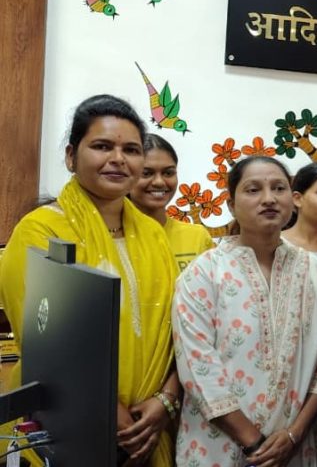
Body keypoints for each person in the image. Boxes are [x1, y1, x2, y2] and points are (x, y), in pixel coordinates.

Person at [0, 95, 180, 466]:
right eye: (102, 146)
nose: (118, 158)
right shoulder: (40, 231)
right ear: (71, 156)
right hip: (66, 424)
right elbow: (46, 342)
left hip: (150, 423)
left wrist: (164, 401)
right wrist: (115, 419)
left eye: (131, 150)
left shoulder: (153, 234)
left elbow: (178, 327)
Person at [172, 156, 317, 467]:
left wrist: (294, 435)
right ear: (231, 204)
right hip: (218, 447)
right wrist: (255, 444)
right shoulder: (204, 272)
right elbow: (197, 366)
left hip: (295, 448)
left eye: (278, 188)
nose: (269, 199)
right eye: (253, 190)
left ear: (292, 199)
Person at [130, 133, 216, 272]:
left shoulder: (197, 237)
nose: (159, 182)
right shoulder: (112, 237)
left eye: (168, 173)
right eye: (146, 173)